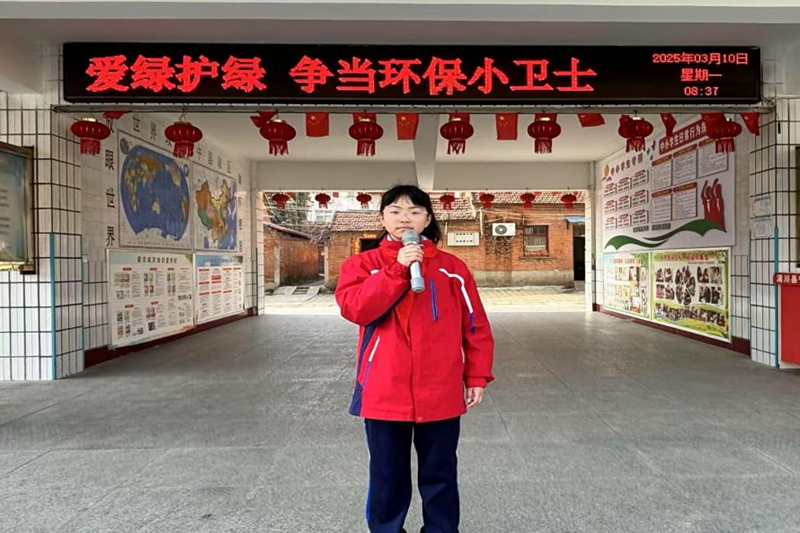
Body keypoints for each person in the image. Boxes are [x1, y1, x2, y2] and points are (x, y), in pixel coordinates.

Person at [335, 185, 495, 533]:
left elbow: (475, 325)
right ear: (382, 219)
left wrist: (476, 375)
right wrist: (397, 269)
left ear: (428, 219)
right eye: (394, 211)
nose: (404, 218)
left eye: (414, 211)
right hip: (383, 390)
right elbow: (356, 309)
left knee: (440, 474)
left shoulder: (452, 269)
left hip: (440, 390)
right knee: (387, 476)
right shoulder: (362, 266)